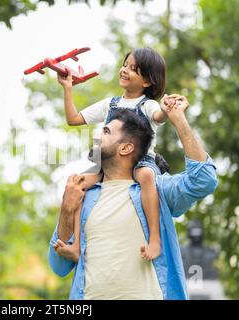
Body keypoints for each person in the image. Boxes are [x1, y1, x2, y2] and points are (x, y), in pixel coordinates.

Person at [48, 95, 218, 299]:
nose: (98, 134)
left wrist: (178, 119)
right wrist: (67, 209)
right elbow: (58, 266)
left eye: (106, 131)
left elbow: (204, 180)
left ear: (126, 148)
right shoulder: (83, 193)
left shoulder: (156, 191)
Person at [57, 47, 169, 262]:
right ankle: (76, 246)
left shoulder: (148, 105)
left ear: (147, 81)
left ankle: (154, 239)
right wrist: (67, 88)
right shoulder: (111, 104)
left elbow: (158, 116)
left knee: (147, 176)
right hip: (107, 162)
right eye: (125, 65)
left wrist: (166, 109)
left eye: (133, 69)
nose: (124, 70)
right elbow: (73, 119)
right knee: (78, 183)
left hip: (140, 160)